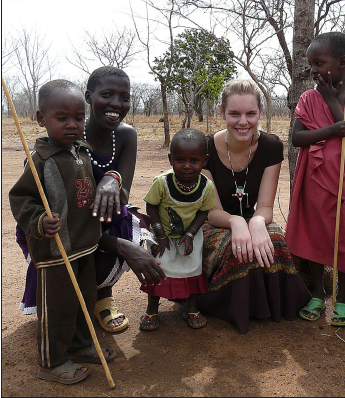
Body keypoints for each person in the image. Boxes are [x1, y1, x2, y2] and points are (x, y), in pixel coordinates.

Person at [17, 66, 166, 333]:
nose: (116, 104)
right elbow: (57, 206)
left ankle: (102, 296)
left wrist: (113, 178)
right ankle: (66, 308)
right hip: (60, 223)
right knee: (75, 270)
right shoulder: (67, 133)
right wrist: (123, 247)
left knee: (122, 218)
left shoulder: (126, 135)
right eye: (107, 94)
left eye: (125, 98)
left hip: (99, 218)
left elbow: (121, 197)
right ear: (89, 96)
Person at [9, 80, 115, 384]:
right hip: (56, 252)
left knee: (84, 301)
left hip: (83, 245)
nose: (72, 125)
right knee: (57, 309)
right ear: (41, 118)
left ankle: (81, 346)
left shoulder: (81, 150)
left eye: (79, 118)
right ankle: (51, 361)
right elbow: (21, 198)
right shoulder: (39, 160)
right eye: (62, 118)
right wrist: (40, 221)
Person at [197, 79, 311, 334]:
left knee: (276, 241)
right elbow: (212, 211)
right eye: (234, 114)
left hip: (252, 218)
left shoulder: (271, 146)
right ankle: (230, 307)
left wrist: (257, 222)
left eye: (251, 114)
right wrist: (237, 223)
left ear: (261, 112)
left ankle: (272, 306)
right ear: (221, 112)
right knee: (236, 247)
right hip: (212, 223)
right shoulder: (204, 147)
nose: (243, 122)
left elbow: (266, 206)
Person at [284, 32, 345, 327]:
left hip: (342, 181)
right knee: (314, 234)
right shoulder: (308, 98)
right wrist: (329, 131)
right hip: (313, 179)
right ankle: (319, 293)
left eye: (320, 63)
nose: (314, 70)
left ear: (343, 63)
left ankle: (342, 300)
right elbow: (296, 138)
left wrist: (332, 100)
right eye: (311, 64)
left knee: (341, 237)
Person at [140, 128, 216, 331]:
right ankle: (152, 310)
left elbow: (204, 211)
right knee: (157, 270)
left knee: (193, 270)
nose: (187, 166)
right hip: (161, 234)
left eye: (194, 160)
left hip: (189, 236)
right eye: (180, 160)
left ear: (205, 160)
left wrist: (191, 234)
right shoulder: (162, 183)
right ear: (170, 159)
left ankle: (191, 308)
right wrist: (160, 236)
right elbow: (152, 206)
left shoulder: (207, 187)